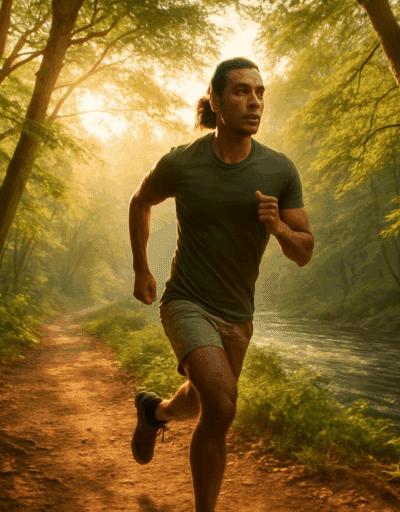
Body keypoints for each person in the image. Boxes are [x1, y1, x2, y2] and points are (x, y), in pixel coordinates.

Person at [128, 57, 314, 512]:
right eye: (241, 91)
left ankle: (154, 412)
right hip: (185, 301)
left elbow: (304, 250)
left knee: (203, 400)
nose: (254, 102)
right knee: (223, 405)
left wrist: (279, 228)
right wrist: (141, 268)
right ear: (214, 99)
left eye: (260, 93)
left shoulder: (279, 170)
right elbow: (140, 201)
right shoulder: (182, 162)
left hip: (238, 314)